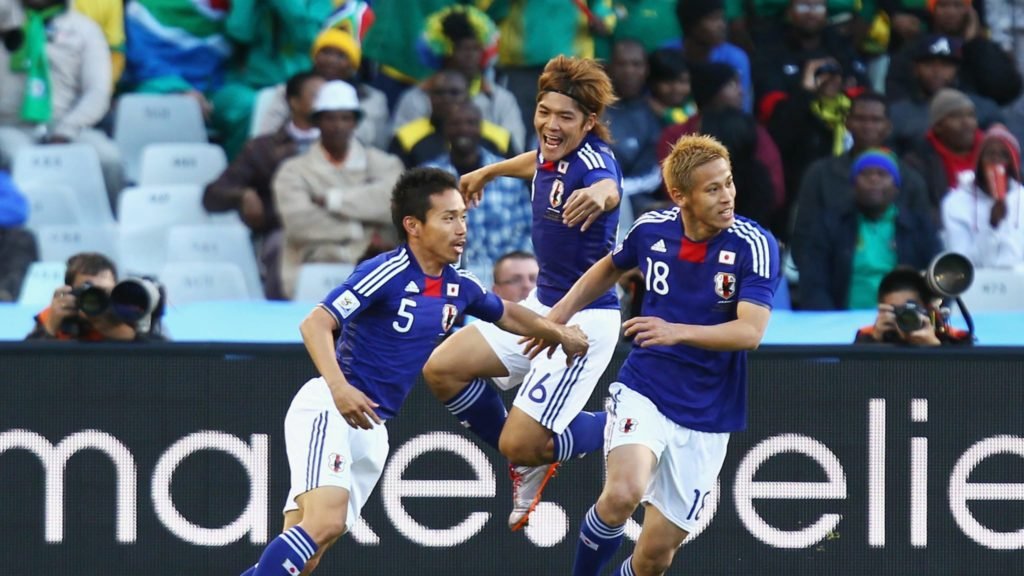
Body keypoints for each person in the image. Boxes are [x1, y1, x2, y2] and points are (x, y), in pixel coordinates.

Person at [237, 167, 590, 576]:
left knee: (310, 553)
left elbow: (508, 314)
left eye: (462, 217)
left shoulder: (459, 286)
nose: (461, 228)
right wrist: (339, 389)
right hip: (331, 407)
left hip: (372, 428)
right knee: (325, 522)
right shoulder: (385, 272)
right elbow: (315, 323)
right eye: (448, 218)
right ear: (413, 226)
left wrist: (559, 333)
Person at [533, 134, 779, 576]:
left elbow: (750, 332)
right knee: (623, 493)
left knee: (653, 558)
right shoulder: (651, 230)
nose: (727, 197)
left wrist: (675, 331)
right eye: (713, 189)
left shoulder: (754, 245)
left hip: (710, 409)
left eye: (728, 183)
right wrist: (558, 316)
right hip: (646, 385)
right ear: (680, 195)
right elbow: (611, 265)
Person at [422, 55, 623, 531]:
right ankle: (525, 456)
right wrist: (489, 172)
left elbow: (607, 185)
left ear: (589, 122)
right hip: (539, 307)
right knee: (442, 370)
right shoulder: (550, 152)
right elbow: (535, 162)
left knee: (521, 440)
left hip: (582, 321)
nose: (550, 125)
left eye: (565, 118)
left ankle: (620, 423)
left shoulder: (594, 162)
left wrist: (602, 196)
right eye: (543, 112)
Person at [273, 80, 404, 300]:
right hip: (312, 269)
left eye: (345, 118)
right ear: (317, 122)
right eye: (330, 118)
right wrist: (362, 227)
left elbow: (392, 203)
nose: (338, 125)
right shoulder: (293, 171)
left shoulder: (385, 164)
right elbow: (300, 223)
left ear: (355, 122)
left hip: (377, 274)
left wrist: (332, 201)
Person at [204, 71, 324, 300]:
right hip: (284, 232)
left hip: (338, 230)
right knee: (282, 249)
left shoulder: (347, 147)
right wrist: (244, 195)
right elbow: (212, 196)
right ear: (294, 102)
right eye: (317, 95)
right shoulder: (263, 148)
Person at [24, 252, 161, 341]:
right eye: (88, 290)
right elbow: (20, 367)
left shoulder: (129, 313)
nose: (98, 297)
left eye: (105, 291)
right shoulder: (58, 315)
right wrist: (49, 329)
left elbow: (166, 358)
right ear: (70, 292)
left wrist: (126, 335)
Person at [942, 125, 1024, 268]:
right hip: (977, 283)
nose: (996, 160)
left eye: (1004, 155)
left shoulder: (1021, 199)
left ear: (1013, 164)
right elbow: (962, 262)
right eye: (990, 154)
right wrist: (992, 226)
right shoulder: (955, 203)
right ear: (978, 161)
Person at [853, 266, 972, 346]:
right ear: (882, 311)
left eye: (911, 308)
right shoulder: (869, 335)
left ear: (929, 309)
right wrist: (874, 342)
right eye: (896, 310)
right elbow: (854, 378)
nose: (906, 315)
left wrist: (934, 346)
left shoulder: (954, 337)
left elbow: (965, 380)